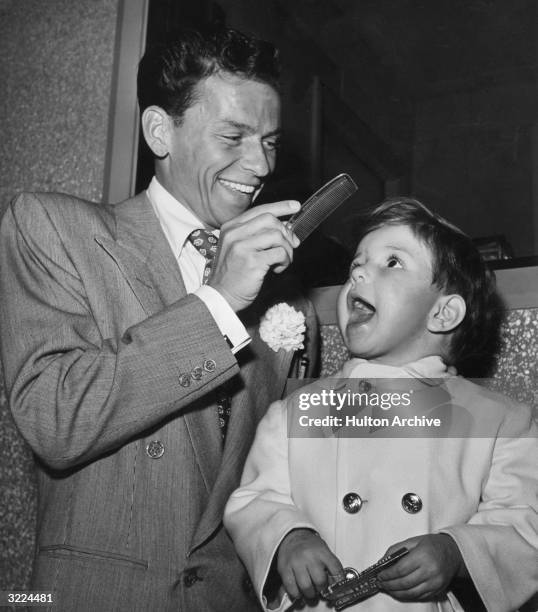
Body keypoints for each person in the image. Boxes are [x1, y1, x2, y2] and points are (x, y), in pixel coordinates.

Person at [0, 27, 318, 611]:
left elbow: (283, 477)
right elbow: (55, 419)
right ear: (158, 131)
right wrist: (220, 301)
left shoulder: (289, 303)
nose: (260, 164)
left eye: (270, 141)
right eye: (234, 136)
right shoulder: (52, 229)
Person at [224, 198, 538, 612]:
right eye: (357, 262)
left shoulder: (500, 421)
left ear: (443, 313)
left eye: (392, 262)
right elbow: (255, 502)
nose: (357, 271)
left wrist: (456, 552)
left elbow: (525, 522)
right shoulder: (293, 412)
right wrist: (288, 538)